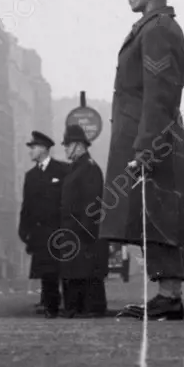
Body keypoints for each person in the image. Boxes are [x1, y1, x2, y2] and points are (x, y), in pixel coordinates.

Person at [99, 0, 184, 321]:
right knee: (152, 217)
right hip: (149, 138)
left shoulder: (157, 30)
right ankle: (166, 294)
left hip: (153, 141)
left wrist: (145, 148)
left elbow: (160, 93)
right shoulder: (151, 27)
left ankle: (169, 295)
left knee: (159, 218)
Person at [58, 123, 109, 317]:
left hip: (83, 235)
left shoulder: (89, 169)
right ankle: (76, 308)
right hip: (73, 233)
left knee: (85, 273)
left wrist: (84, 232)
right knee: (75, 273)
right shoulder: (76, 168)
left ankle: (87, 308)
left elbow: (91, 204)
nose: (65, 149)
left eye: (67, 145)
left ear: (78, 145)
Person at [18, 130, 70, 318]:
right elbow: (27, 206)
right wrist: (24, 231)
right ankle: (51, 306)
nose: (30, 151)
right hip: (40, 233)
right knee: (46, 272)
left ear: (44, 149)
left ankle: (65, 305)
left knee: (61, 270)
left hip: (58, 231)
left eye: (33, 147)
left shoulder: (62, 170)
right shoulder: (30, 176)